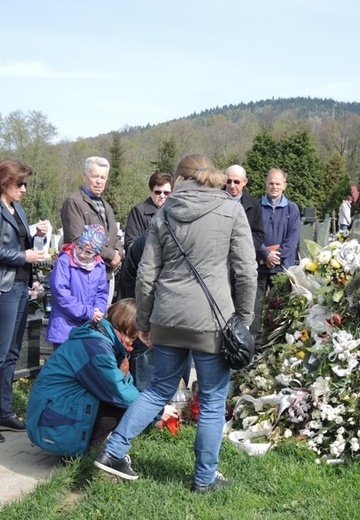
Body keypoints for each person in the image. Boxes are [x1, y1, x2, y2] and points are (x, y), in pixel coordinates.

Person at [94, 154, 256, 493]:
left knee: (156, 389)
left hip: (167, 316)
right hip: (213, 322)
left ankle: (113, 451)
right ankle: (204, 478)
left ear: (182, 179)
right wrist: (244, 318)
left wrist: (144, 321)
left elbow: (146, 273)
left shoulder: (166, 211)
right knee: (212, 399)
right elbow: (246, 272)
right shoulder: (230, 208)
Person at [0, 158, 48, 443]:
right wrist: (22, 256)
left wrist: (35, 237)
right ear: (4, 180)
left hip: (18, 287)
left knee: (11, 354)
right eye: (20, 183)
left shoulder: (18, 209)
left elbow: (21, 245)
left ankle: (3, 412)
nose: (24, 189)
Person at [26, 299, 142, 456]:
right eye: (133, 337)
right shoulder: (95, 346)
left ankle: (88, 448)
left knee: (119, 402)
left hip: (55, 410)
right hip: (50, 422)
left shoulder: (103, 339)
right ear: (126, 328)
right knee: (117, 405)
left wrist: (124, 369)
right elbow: (118, 390)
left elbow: (122, 385)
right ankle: (84, 453)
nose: (133, 343)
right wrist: (157, 411)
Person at [60, 156, 124, 304]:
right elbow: (77, 240)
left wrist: (118, 254)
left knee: (100, 321)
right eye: (95, 176)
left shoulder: (106, 206)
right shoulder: (74, 202)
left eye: (103, 177)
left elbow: (114, 236)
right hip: (83, 276)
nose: (99, 181)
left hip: (105, 275)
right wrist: (110, 255)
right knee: (85, 321)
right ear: (84, 176)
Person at [251, 168, 300, 339]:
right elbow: (252, 233)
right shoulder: (256, 206)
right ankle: (254, 344)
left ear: (284, 186)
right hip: (260, 266)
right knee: (255, 308)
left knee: (278, 308)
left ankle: (273, 344)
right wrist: (265, 253)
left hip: (282, 269)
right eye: (271, 183)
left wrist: (276, 256)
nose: (274, 186)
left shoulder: (292, 209)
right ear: (266, 184)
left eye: (278, 183)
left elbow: (292, 238)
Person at [46, 224, 109, 349]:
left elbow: (101, 293)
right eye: (80, 248)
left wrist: (98, 311)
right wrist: (87, 312)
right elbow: (60, 293)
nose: (82, 254)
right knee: (63, 366)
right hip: (64, 327)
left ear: (97, 253)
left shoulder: (99, 265)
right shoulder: (65, 261)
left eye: (89, 252)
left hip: (88, 326)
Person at [123, 171, 173, 251]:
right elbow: (130, 245)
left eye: (166, 193)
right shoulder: (138, 212)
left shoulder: (173, 213)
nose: (162, 196)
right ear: (151, 192)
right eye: (158, 192)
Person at [224, 165, 265, 254]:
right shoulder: (216, 200)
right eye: (228, 181)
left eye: (236, 182)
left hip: (243, 256)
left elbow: (258, 234)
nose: (232, 185)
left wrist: (246, 249)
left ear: (245, 182)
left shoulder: (254, 204)